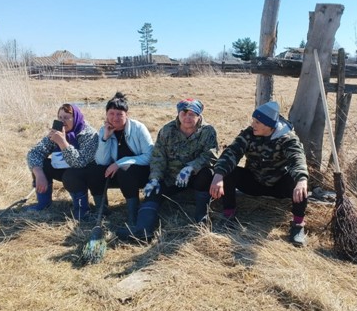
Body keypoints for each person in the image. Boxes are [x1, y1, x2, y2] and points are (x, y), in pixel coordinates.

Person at [117, 98, 218, 242]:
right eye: (184, 114)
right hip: (171, 177)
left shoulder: (208, 131)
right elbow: (158, 157)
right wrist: (155, 178)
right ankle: (143, 232)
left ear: (199, 115)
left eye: (192, 114)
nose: (187, 118)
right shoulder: (167, 130)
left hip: (195, 176)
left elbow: (211, 155)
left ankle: (201, 221)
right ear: (178, 114)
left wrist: (191, 167)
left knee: (207, 174)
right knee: (153, 189)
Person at [209, 101, 309, 247]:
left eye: (257, 122)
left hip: (278, 185)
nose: (253, 124)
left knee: (300, 181)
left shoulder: (287, 138)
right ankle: (228, 214)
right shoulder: (249, 134)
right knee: (229, 172)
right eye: (253, 121)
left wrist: (301, 180)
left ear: (269, 125)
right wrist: (218, 174)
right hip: (254, 181)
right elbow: (232, 152)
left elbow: (297, 158)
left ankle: (298, 225)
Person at [26, 103, 99, 221]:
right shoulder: (57, 132)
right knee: (41, 165)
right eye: (60, 117)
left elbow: (79, 162)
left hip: (85, 173)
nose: (62, 121)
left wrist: (62, 142)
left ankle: (82, 210)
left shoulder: (89, 134)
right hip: (64, 167)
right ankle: (43, 204)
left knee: (71, 175)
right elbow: (34, 153)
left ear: (76, 118)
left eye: (66, 117)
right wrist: (39, 173)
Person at [93, 92, 153, 227]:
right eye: (111, 113)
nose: (115, 118)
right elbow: (102, 161)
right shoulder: (104, 130)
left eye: (120, 114)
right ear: (106, 115)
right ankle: (102, 211)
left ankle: (133, 215)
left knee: (124, 170)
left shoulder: (138, 128)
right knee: (94, 170)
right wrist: (105, 138)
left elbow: (149, 156)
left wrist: (119, 163)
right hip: (116, 174)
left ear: (127, 115)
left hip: (141, 173)